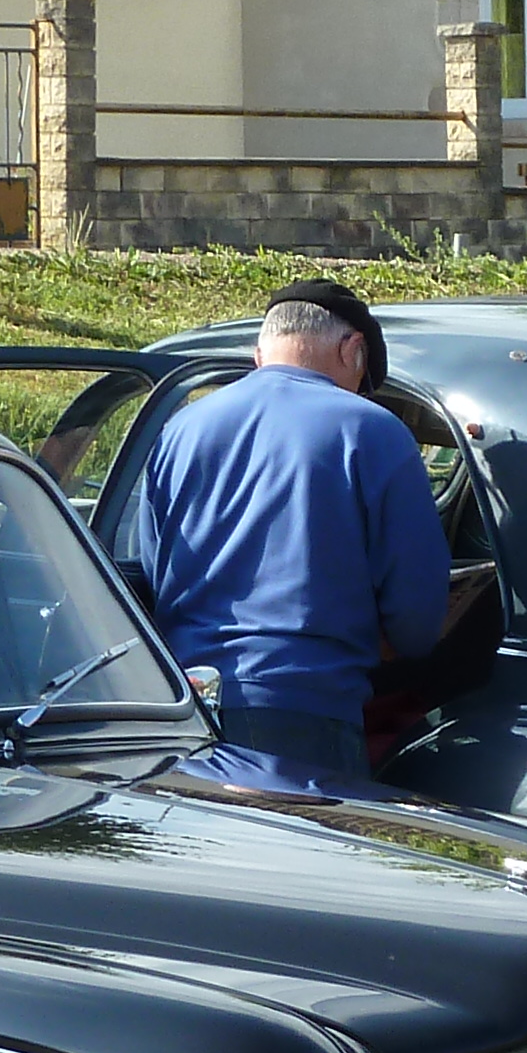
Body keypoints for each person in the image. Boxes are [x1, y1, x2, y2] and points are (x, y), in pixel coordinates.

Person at [123, 281, 451, 780]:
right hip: (306, 715)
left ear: (260, 353)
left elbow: (153, 571)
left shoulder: (181, 429)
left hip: (181, 709)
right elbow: (416, 621)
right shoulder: (373, 430)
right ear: (353, 350)